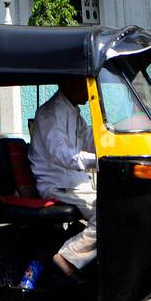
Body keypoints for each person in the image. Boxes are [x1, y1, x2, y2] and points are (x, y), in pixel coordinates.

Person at [29, 77, 98, 280]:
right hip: (57, 184)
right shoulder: (52, 112)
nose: (89, 90)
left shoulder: (72, 110)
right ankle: (68, 257)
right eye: (85, 84)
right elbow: (60, 153)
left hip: (72, 182)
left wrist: (115, 141)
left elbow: (87, 139)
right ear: (71, 83)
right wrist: (95, 161)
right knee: (109, 212)